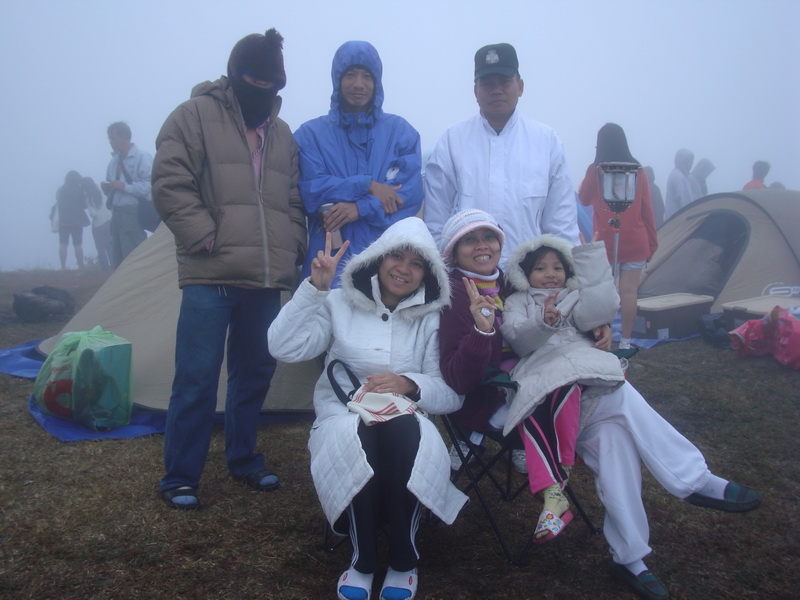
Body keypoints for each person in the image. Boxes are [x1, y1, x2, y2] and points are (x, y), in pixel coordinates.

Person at [438, 208, 761, 600]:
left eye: (488, 236)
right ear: (453, 251)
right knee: (618, 393)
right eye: (470, 240)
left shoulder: (511, 279)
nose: (482, 246)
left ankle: (631, 557)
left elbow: (563, 307)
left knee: (612, 439)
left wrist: (595, 327)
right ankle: (693, 479)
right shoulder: (453, 295)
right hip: (502, 399)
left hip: (558, 386)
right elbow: (459, 379)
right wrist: (481, 330)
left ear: (500, 243)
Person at [268, 217, 466, 600]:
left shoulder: (430, 318)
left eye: (416, 263)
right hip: (343, 416)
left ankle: (404, 560)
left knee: (405, 431)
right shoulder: (339, 302)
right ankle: (363, 561)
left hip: (406, 420)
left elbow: (450, 395)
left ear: (427, 273)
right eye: (397, 257)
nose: (403, 269)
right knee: (357, 435)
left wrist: (409, 384)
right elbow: (282, 347)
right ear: (378, 258)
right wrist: (313, 290)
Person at [152, 29, 307, 510]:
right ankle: (180, 475)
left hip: (264, 277)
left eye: (271, 83)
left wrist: (293, 245)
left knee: (254, 374)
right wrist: (204, 236)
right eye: (253, 80)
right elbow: (169, 181)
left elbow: (294, 198)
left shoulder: (282, 133)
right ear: (235, 74)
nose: (262, 89)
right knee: (196, 377)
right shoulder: (193, 115)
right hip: (210, 273)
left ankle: (243, 459)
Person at [423, 42, 579, 267]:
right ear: (475, 91)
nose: (496, 90)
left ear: (520, 86)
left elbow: (561, 226)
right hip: (467, 278)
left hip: (529, 276)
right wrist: (442, 277)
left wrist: (567, 273)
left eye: (504, 82)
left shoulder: (547, 141)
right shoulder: (452, 141)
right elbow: (436, 224)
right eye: (487, 83)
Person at [294, 40, 422, 287]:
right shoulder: (309, 135)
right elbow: (311, 191)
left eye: (367, 76)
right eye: (350, 75)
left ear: (377, 82)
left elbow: (409, 196)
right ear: (337, 80)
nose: (358, 84)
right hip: (327, 268)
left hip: (385, 269)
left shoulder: (400, 133)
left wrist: (359, 208)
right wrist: (367, 185)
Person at [578, 123, 658, 350]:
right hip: (636, 240)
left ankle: (605, 338)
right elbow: (647, 208)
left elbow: (583, 199)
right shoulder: (638, 170)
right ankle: (626, 342)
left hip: (605, 242)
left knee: (606, 292)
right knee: (629, 292)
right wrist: (652, 243)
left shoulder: (596, 170)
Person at [101, 121, 152, 268]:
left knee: (133, 256)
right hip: (116, 214)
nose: (110, 142)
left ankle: (140, 281)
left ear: (124, 137)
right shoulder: (114, 161)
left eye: (113, 138)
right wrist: (108, 188)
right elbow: (112, 183)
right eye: (110, 139)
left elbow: (149, 185)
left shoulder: (141, 157)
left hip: (132, 212)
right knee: (118, 258)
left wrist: (125, 187)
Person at [53, 170, 90, 269]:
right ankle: (81, 265)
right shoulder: (80, 191)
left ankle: (63, 266)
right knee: (78, 245)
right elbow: (84, 205)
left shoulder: (61, 189)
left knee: (63, 244)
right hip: (77, 221)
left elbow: (58, 201)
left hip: (63, 221)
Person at [82, 176, 112, 270]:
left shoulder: (88, 198)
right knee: (109, 244)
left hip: (98, 225)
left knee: (100, 247)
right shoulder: (101, 189)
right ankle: (114, 265)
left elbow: (92, 214)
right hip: (109, 220)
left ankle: (105, 267)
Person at [664, 148, 698, 221]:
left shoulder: (682, 175)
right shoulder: (678, 177)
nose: (691, 164)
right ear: (682, 161)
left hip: (676, 219)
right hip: (678, 220)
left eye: (692, 161)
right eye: (689, 161)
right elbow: (684, 201)